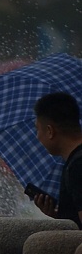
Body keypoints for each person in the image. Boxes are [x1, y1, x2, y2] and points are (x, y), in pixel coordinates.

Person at [32, 92, 82, 224]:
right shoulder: (74, 161)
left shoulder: (78, 166)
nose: (37, 136)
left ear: (50, 131)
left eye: (38, 129)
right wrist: (58, 215)